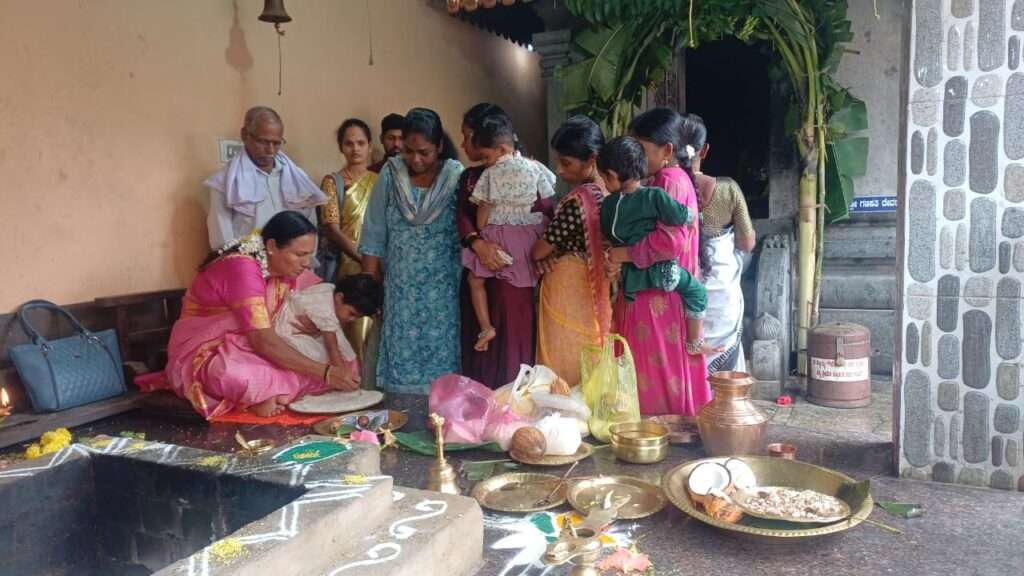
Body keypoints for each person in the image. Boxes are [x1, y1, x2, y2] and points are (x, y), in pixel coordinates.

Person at [164, 211, 360, 419]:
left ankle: (272, 392)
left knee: (342, 360)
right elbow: (263, 341)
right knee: (230, 374)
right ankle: (264, 394)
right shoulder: (242, 268)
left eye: (309, 255)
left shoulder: (283, 269)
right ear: (272, 246)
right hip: (209, 351)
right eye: (300, 254)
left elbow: (318, 299)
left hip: (252, 345)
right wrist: (326, 373)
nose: (306, 263)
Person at [603, 107, 710, 416]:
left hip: (656, 297)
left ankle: (659, 428)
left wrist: (622, 254)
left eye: (641, 148)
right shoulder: (671, 179)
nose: (635, 157)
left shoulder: (667, 181)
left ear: (667, 151)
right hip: (662, 293)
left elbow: (670, 242)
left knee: (653, 374)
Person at [359, 108, 464, 394]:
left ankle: (441, 413)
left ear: (439, 146)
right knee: (399, 361)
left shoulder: (455, 177)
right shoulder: (390, 175)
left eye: (424, 152)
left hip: (443, 292)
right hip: (400, 291)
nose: (415, 159)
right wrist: (370, 290)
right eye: (408, 151)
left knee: (443, 362)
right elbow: (374, 235)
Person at [457, 103, 553, 388]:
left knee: (512, 331)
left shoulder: (495, 174)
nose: (464, 144)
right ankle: (490, 396)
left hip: (513, 269)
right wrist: (478, 244)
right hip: (490, 258)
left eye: (468, 137)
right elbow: (462, 216)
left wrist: (545, 252)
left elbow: (546, 211)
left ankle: (510, 395)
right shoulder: (471, 176)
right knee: (483, 333)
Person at [596, 136, 713, 355]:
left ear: (611, 175)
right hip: (664, 273)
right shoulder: (654, 195)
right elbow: (678, 215)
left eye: (603, 178)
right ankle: (694, 343)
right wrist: (691, 217)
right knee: (698, 292)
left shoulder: (608, 205)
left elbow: (608, 237)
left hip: (629, 279)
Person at [531, 116, 611, 387]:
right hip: (598, 285)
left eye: (566, 163)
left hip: (568, 287)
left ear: (592, 159)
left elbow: (540, 251)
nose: (559, 170)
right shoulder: (611, 193)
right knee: (590, 346)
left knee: (562, 351)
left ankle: (561, 403)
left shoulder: (578, 200)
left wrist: (539, 251)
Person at [685, 114, 756, 373]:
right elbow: (747, 244)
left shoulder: (665, 189)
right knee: (723, 363)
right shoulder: (728, 189)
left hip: (683, 285)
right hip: (721, 289)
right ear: (704, 150)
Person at [205, 106, 326, 252]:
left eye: (277, 143)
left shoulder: (297, 179)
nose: (270, 150)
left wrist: (304, 261)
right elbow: (221, 240)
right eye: (263, 142)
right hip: (248, 262)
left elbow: (310, 230)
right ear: (244, 135)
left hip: (294, 263)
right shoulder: (224, 183)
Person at [317, 119, 380, 371]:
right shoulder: (333, 182)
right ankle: (352, 381)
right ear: (341, 147)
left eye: (361, 143)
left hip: (379, 266)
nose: (355, 149)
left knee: (374, 330)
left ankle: (371, 383)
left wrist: (377, 262)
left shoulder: (380, 181)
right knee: (351, 329)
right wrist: (363, 259)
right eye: (349, 143)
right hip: (348, 267)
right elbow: (331, 228)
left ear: (369, 146)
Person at [273, 274, 383, 376]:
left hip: (290, 324)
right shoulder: (325, 311)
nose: (352, 319)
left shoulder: (329, 289)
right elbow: (331, 347)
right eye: (351, 314)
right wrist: (342, 375)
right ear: (339, 297)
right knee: (323, 355)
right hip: (286, 333)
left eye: (357, 317)